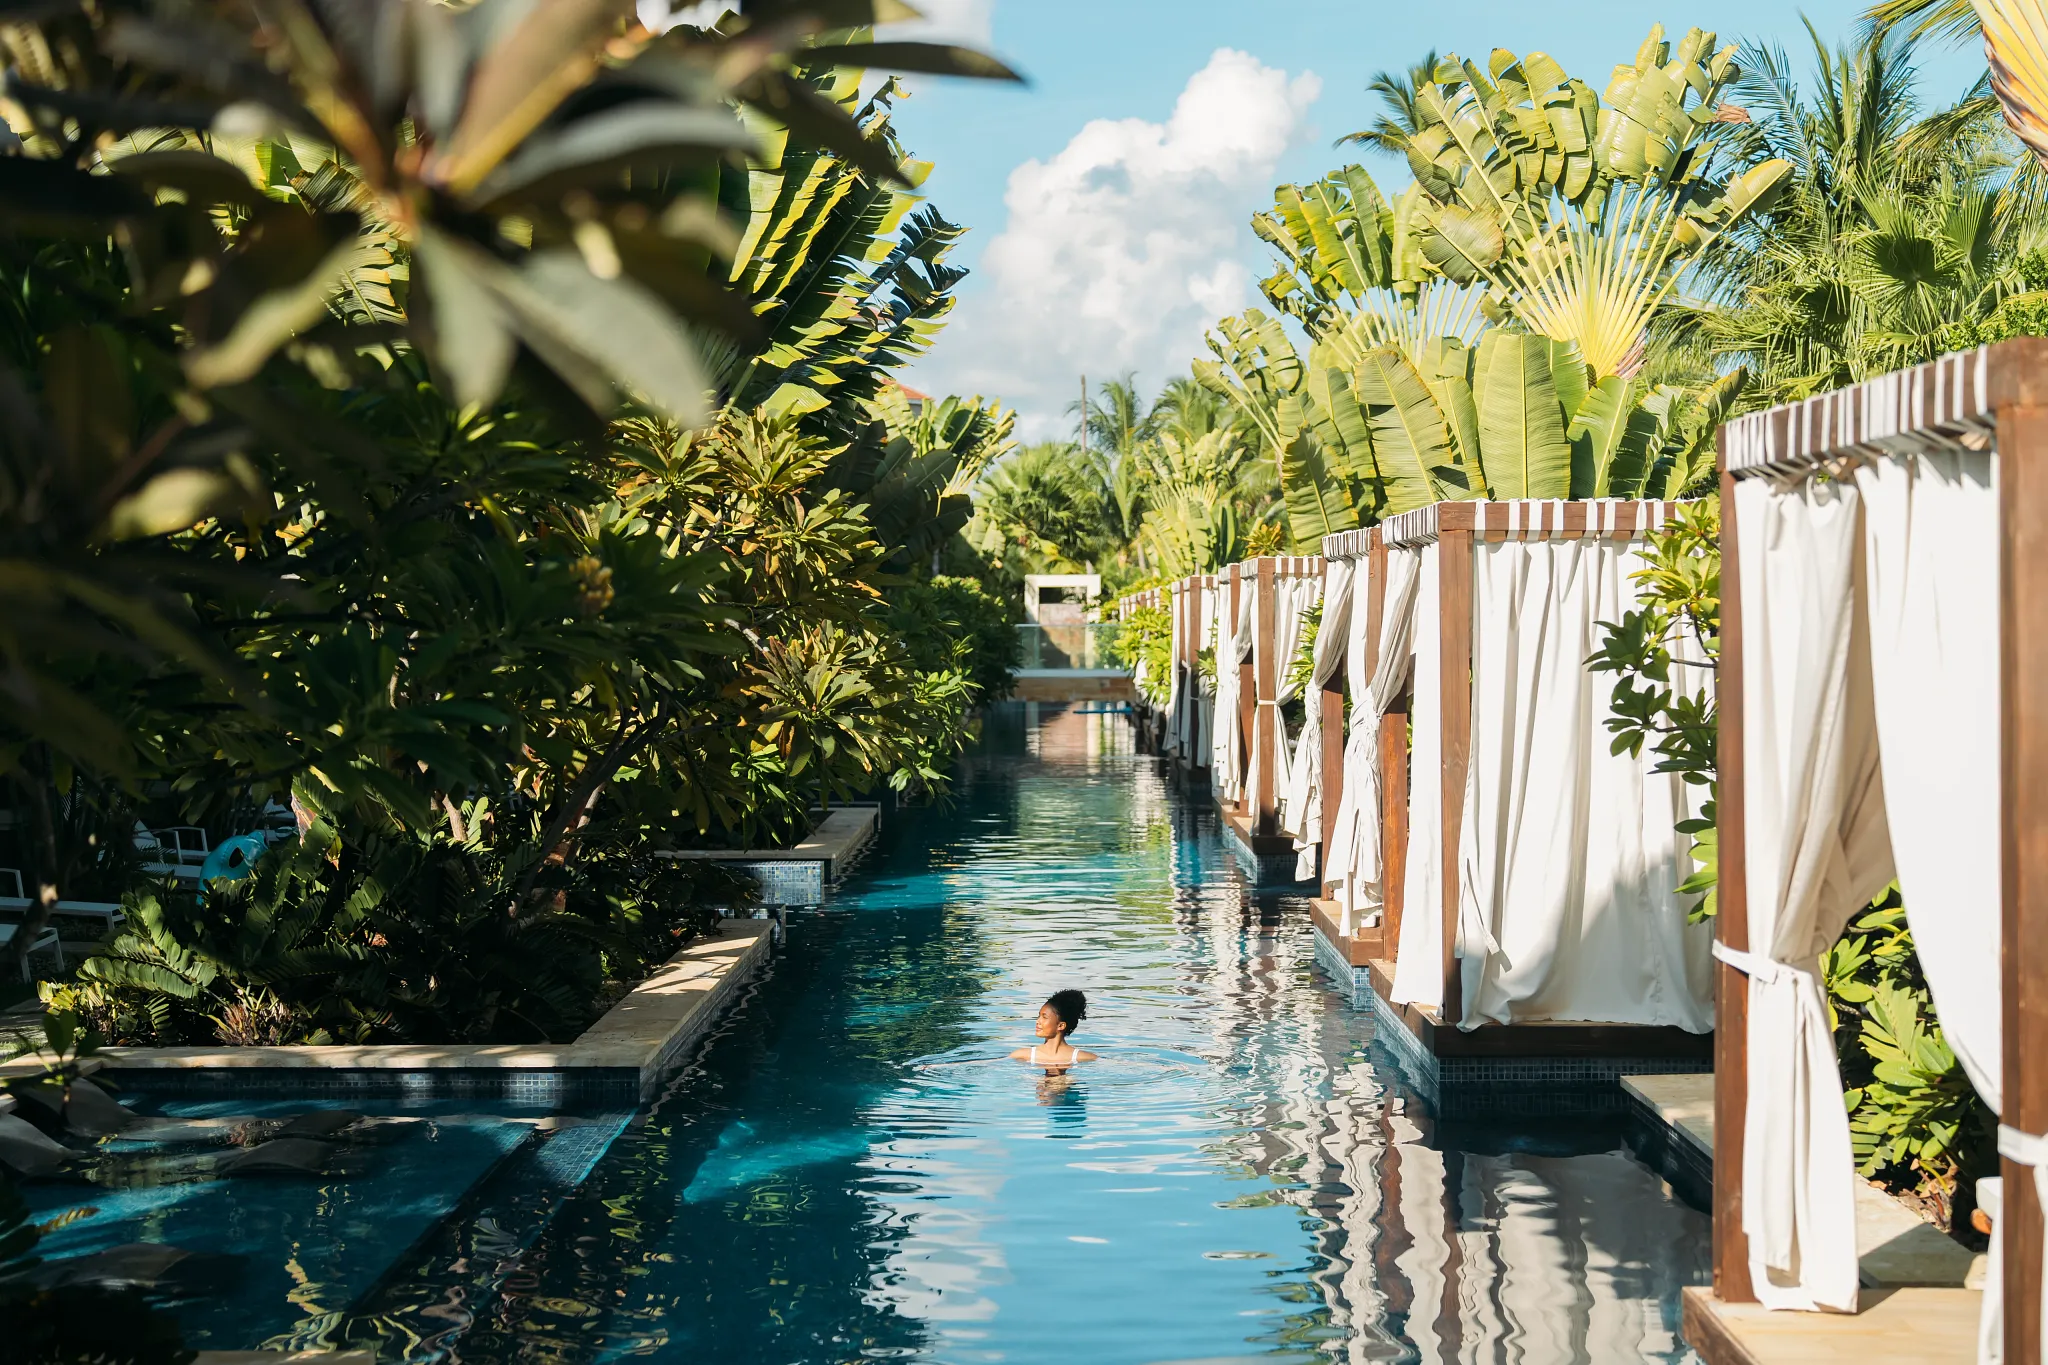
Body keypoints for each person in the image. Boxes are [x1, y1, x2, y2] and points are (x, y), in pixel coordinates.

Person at [1011, 989, 1096, 1070]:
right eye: (1039, 1016)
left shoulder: (1083, 1057)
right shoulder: (1020, 1055)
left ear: (1061, 1026)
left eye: (1044, 1017)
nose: (1038, 1021)